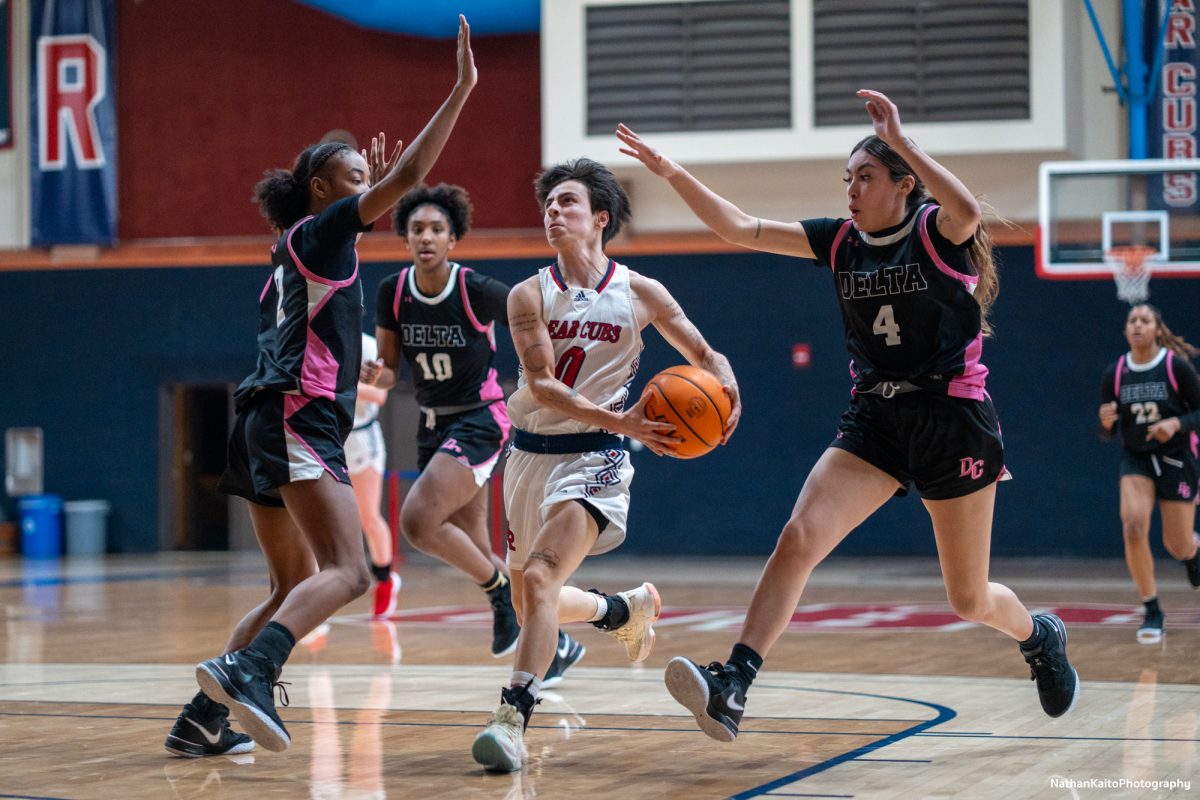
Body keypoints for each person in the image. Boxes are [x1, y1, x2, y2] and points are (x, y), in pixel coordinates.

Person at [616, 88, 1079, 742]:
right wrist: (670, 172)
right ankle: (734, 685)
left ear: (903, 184)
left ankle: (1040, 635)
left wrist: (904, 136)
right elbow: (739, 228)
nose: (852, 190)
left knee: (968, 598)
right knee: (798, 538)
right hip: (876, 417)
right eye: (848, 179)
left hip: (952, 419)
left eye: (865, 177)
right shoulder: (839, 242)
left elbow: (968, 209)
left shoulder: (934, 233)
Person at [164, 16, 477, 758]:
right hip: (300, 416)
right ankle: (251, 670)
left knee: (290, 585)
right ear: (321, 190)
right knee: (350, 570)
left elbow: (377, 193)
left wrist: (367, 190)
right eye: (355, 181)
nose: (369, 189)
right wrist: (461, 88)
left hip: (266, 419)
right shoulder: (322, 234)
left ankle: (200, 720)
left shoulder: (291, 250)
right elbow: (405, 184)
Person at [470, 157, 741, 772]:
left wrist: (728, 391)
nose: (553, 212)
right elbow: (540, 384)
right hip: (530, 455)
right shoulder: (527, 294)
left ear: (599, 218)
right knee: (528, 599)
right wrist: (621, 418)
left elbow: (704, 351)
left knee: (538, 579)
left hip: (596, 457)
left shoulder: (640, 292)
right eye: (548, 204)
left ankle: (511, 718)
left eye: (567, 202)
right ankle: (621, 610)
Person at [369, 183, 592, 684]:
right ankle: (557, 646)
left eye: (437, 229)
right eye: (417, 230)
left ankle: (498, 598)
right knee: (474, 545)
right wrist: (372, 376)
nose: (426, 237)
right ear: (405, 238)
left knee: (418, 521)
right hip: (432, 423)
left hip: (479, 418)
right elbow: (388, 369)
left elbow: (533, 319)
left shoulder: (477, 289)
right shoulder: (393, 291)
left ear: (453, 239)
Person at [1099, 303, 1200, 644]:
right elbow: (1109, 432)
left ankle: (1192, 551)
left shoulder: (1176, 367)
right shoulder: (1115, 372)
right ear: (1126, 330)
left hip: (1176, 458)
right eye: (1132, 320)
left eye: (1145, 320)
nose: (1137, 324)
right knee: (1132, 525)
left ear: (1158, 329)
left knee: (1177, 544)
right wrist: (1106, 424)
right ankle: (1152, 609)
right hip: (1137, 460)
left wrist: (1177, 423)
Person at [347, 332, 401, 617]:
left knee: (368, 516)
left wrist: (337, 386)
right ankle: (313, 586)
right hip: (327, 439)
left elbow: (378, 394)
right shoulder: (314, 340)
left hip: (361, 439)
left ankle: (384, 579)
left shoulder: (367, 345)